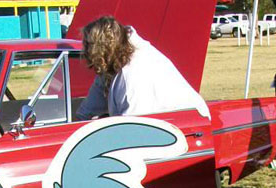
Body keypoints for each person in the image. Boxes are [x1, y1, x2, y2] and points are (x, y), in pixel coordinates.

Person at [75, 16, 209, 121]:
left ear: (102, 51)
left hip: (189, 126)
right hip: (166, 128)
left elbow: (134, 129)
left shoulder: (133, 73)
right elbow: (87, 111)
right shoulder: (113, 66)